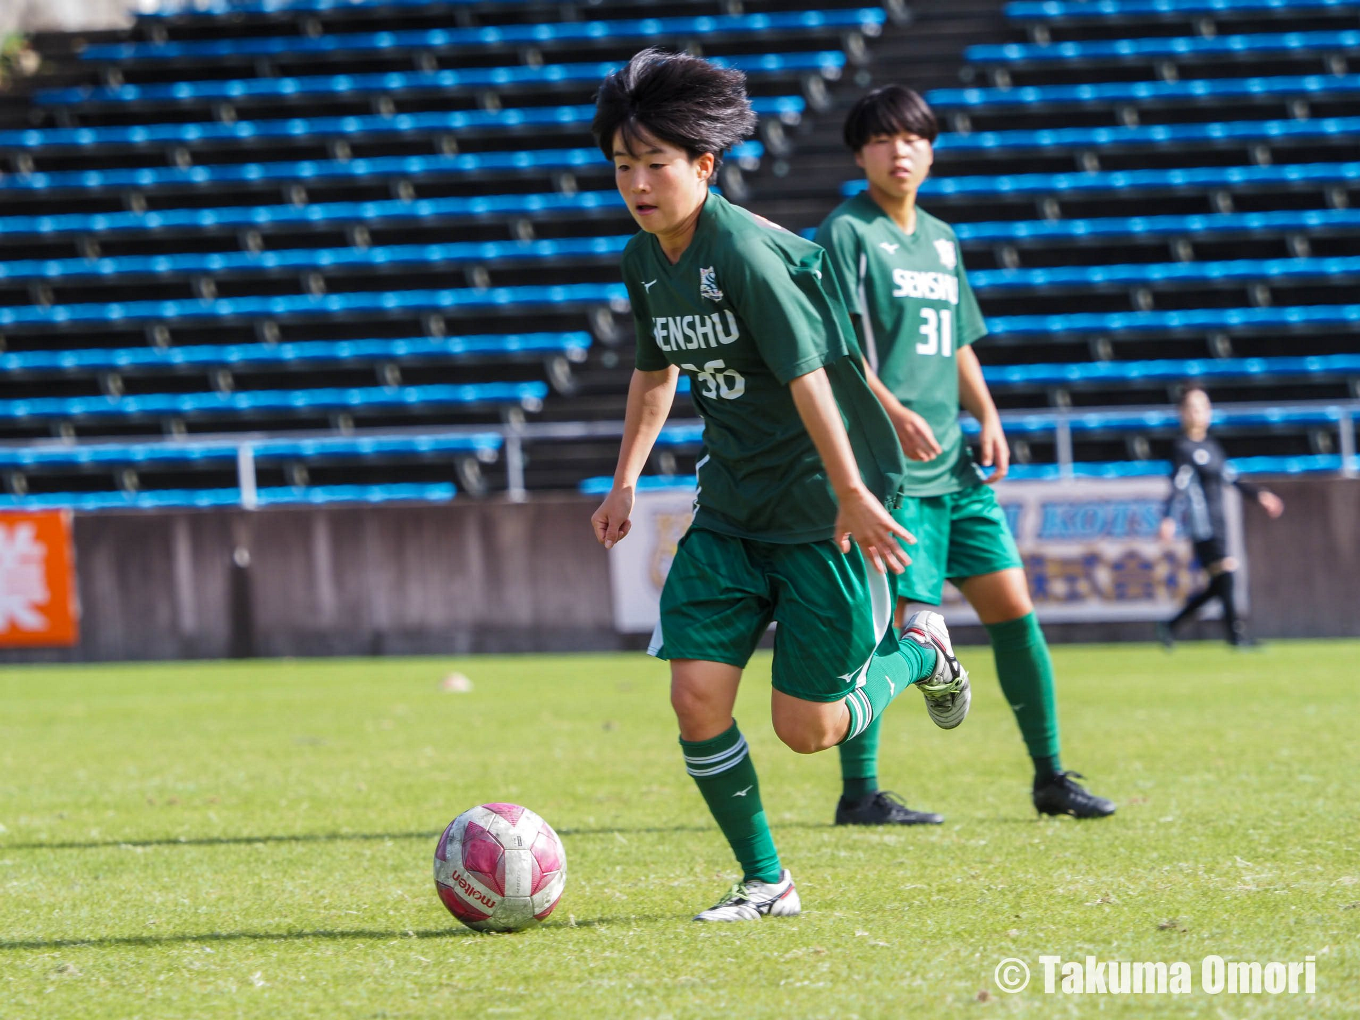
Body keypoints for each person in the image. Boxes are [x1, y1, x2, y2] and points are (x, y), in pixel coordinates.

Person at [588, 51, 971, 923]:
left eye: (656, 164)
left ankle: (921, 651)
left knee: (809, 729)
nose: (638, 183)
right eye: (623, 166)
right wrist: (623, 484)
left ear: (704, 166)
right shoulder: (643, 260)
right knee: (694, 700)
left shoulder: (754, 257)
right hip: (728, 513)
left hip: (816, 515)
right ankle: (769, 882)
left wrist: (848, 491)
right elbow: (656, 374)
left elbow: (813, 384)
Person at [815, 85, 1115, 824]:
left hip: (956, 467)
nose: (900, 151)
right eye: (883, 140)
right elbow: (833, 349)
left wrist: (989, 415)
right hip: (892, 470)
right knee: (898, 629)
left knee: (1014, 608)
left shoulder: (943, 238)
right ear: (860, 154)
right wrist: (894, 413)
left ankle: (1050, 777)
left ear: (932, 148)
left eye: (913, 138)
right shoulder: (844, 234)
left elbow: (955, 342)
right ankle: (859, 793)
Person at [1157, 385, 1284, 647]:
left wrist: (1259, 495)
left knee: (1220, 582)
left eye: (1203, 407)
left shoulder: (1211, 446)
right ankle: (1235, 637)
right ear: (1182, 413)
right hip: (1202, 524)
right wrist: (1168, 518)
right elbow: (1179, 485)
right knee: (1226, 574)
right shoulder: (1183, 447)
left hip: (1219, 522)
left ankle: (1171, 625)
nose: (1199, 413)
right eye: (1192, 407)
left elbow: (1231, 477)